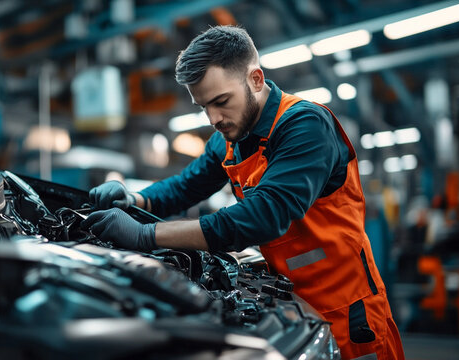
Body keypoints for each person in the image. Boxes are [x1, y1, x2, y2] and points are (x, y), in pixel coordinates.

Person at [81, 25, 404, 360]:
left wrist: (147, 235)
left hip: (348, 317)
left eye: (221, 101)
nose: (213, 118)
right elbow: (186, 186)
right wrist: (134, 200)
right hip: (290, 306)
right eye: (203, 106)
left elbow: (265, 216)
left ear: (256, 80)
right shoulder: (229, 139)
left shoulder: (305, 125)